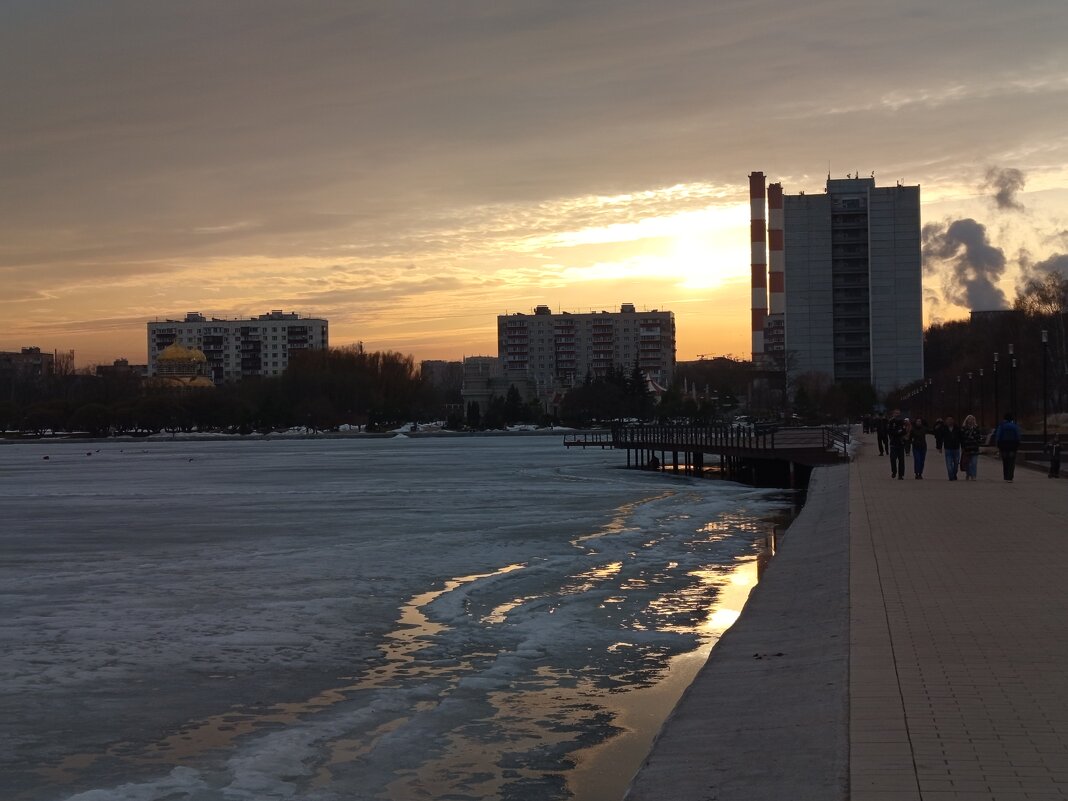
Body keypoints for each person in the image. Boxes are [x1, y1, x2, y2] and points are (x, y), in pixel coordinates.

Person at [993, 412, 1021, 482]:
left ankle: (1005, 476)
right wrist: (1018, 444)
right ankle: (1010, 477)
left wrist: (997, 445)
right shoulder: (1014, 426)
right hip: (1013, 445)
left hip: (1003, 445)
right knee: (1011, 461)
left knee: (1005, 461)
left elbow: (998, 436)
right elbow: (1018, 436)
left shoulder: (1001, 426)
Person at [960, 414, 983, 480]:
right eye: (969, 419)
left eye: (972, 419)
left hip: (974, 448)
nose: (971, 421)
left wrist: (977, 442)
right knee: (967, 463)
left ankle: (973, 476)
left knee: (974, 463)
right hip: (967, 448)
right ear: (966, 420)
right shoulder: (964, 428)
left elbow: (979, 437)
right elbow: (962, 438)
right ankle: (968, 474)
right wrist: (962, 447)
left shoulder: (976, 428)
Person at [887, 409, 907, 480]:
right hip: (893, 443)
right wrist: (897, 432)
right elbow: (890, 432)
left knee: (901, 460)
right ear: (893, 414)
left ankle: (901, 475)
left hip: (901, 443)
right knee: (893, 459)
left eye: (898, 413)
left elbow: (904, 431)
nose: (897, 414)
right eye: (896, 413)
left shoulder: (902, 422)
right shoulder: (891, 422)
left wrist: (900, 432)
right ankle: (894, 471)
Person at [941, 416, 962, 480]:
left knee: (956, 463)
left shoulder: (957, 428)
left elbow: (961, 438)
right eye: (948, 420)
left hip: (956, 448)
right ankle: (951, 476)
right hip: (948, 448)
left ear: (953, 421)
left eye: (951, 420)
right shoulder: (944, 428)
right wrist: (939, 446)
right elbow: (941, 438)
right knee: (949, 463)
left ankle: (954, 473)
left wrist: (963, 446)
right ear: (946, 421)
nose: (949, 421)